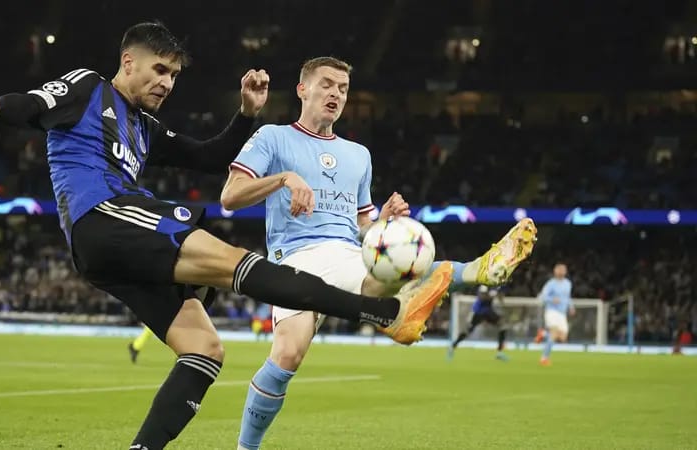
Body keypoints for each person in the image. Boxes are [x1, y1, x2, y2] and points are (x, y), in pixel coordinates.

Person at [0, 22, 452, 449]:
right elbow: (37, 103)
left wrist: (248, 112)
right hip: (105, 215)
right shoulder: (89, 88)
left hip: (107, 251)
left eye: (173, 75)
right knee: (236, 263)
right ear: (128, 62)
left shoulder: (144, 127)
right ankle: (385, 313)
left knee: (205, 350)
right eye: (159, 70)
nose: (167, 83)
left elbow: (211, 157)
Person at [220, 56, 538, 450]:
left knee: (386, 269)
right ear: (302, 89)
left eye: (343, 88)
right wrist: (284, 178)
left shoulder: (359, 155)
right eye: (327, 84)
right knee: (286, 356)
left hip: (346, 253)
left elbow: (362, 227)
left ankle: (475, 271)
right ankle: (245, 448)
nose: (335, 93)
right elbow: (230, 197)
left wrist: (383, 220)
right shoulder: (273, 137)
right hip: (295, 257)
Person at [447, 285, 509, 361]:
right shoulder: (484, 286)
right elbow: (482, 297)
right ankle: (453, 346)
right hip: (478, 312)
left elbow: (500, 298)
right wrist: (491, 295)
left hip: (487, 312)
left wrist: (499, 295)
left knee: (503, 326)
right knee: (467, 331)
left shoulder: (495, 288)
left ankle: (499, 352)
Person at [535, 263, 574, 366]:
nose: (561, 271)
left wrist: (571, 307)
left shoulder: (568, 283)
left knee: (563, 338)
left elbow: (568, 297)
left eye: (563, 270)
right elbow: (542, 297)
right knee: (553, 334)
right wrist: (552, 299)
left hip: (562, 314)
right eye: (559, 269)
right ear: (555, 271)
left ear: (565, 272)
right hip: (552, 312)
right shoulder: (551, 284)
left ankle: (543, 334)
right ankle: (544, 358)